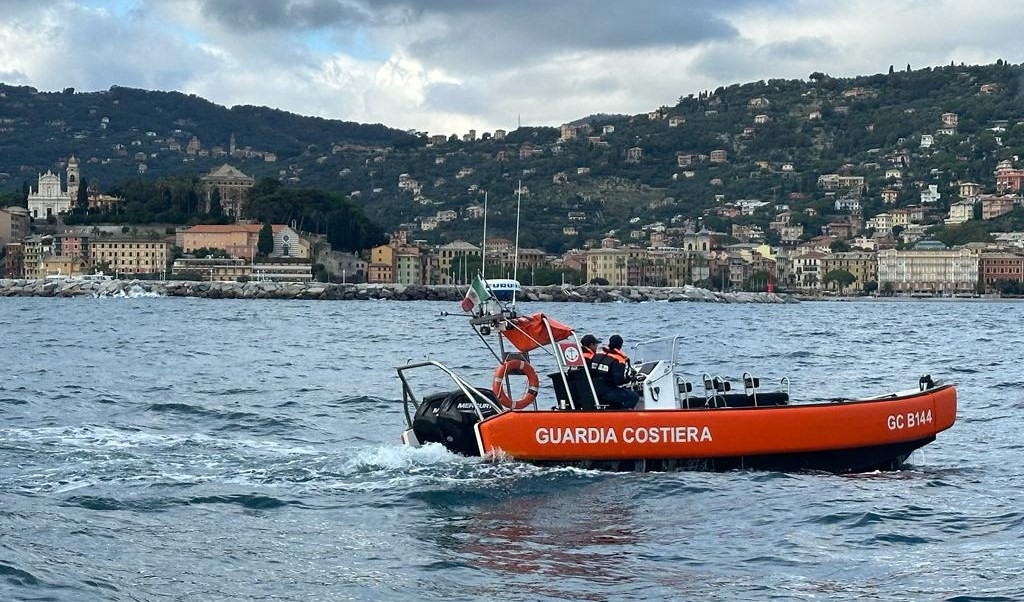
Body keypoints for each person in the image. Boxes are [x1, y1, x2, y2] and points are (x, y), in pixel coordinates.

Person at [588, 334, 640, 409]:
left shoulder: (597, 355)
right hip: (607, 391)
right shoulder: (619, 360)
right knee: (634, 396)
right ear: (620, 346)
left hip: (594, 390)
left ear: (609, 343)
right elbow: (618, 381)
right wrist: (629, 378)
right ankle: (623, 416)